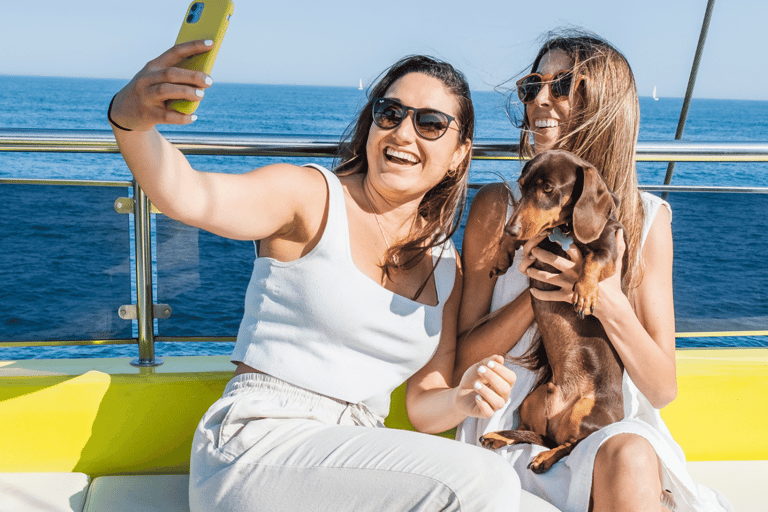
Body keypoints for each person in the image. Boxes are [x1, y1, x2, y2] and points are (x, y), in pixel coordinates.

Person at [108, 41, 543, 511]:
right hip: (258, 443)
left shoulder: (443, 263)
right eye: (390, 112)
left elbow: (423, 404)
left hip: (352, 460)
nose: (402, 132)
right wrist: (130, 118)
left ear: (460, 154)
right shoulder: (311, 197)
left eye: (430, 123)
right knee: (485, 483)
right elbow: (191, 195)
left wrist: (463, 396)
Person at [455, 30, 732, 512]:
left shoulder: (646, 220)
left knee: (629, 456)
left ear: (606, 105)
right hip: (510, 418)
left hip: (603, 422)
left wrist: (603, 296)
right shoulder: (498, 210)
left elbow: (662, 387)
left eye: (562, 86)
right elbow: (462, 362)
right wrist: (539, 290)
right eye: (532, 86)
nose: (540, 99)